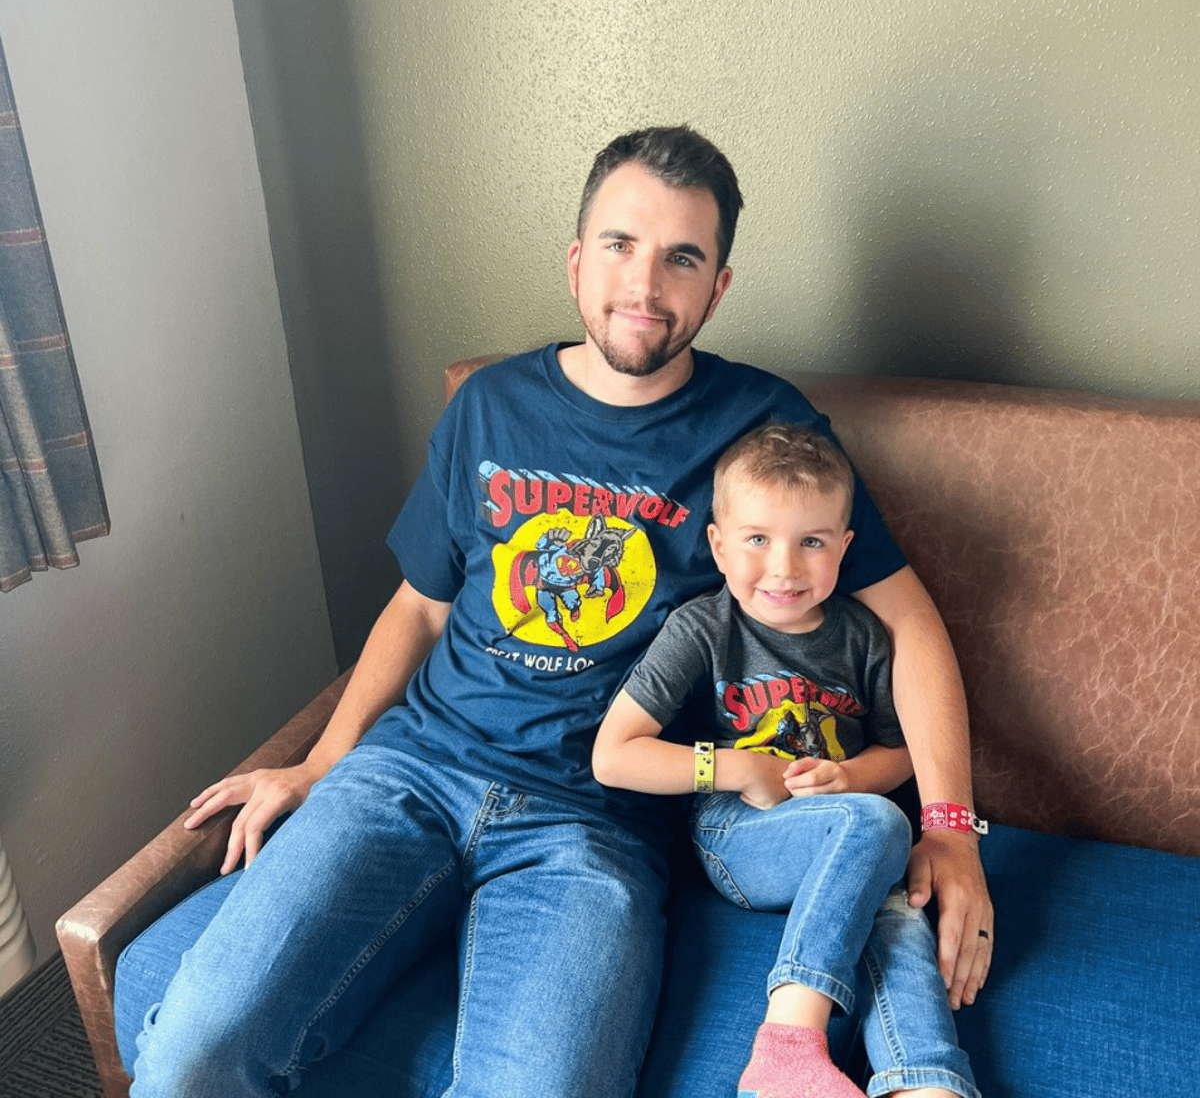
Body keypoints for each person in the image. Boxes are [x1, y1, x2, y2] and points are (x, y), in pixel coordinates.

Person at [127, 126, 991, 1098]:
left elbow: (908, 624)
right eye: (621, 244)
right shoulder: (488, 405)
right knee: (190, 1050)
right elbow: (417, 610)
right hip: (409, 772)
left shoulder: (763, 427)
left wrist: (951, 826)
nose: (646, 281)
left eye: (683, 258)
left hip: (595, 822)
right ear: (578, 261)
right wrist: (322, 763)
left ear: (718, 288)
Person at [592, 423, 979, 1098]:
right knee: (884, 827)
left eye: (812, 543)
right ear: (717, 543)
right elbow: (613, 755)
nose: (785, 568)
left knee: (898, 914)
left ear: (844, 548)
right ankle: (787, 1048)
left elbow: (900, 752)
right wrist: (738, 769)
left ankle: (925, 1083)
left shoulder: (863, 637)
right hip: (739, 834)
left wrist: (852, 777)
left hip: (844, 834)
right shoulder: (702, 630)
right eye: (757, 539)